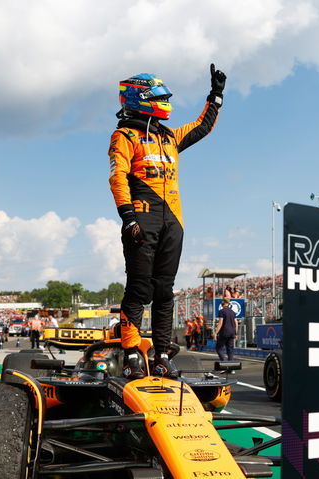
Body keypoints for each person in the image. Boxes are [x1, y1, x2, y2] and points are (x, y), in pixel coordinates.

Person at [109, 64, 226, 379]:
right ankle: (132, 351)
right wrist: (127, 216)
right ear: (140, 99)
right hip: (141, 218)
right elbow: (117, 177)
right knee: (138, 289)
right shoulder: (125, 135)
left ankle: (161, 353)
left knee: (164, 291)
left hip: (174, 222)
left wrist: (215, 95)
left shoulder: (171, 137)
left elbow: (202, 127)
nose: (166, 102)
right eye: (160, 97)